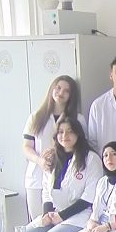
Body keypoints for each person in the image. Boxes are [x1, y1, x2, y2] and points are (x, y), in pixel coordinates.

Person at [25, 117, 102, 232]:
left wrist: (62, 216)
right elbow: (46, 191)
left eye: (70, 131)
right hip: (56, 213)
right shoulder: (51, 158)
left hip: (79, 216)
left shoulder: (91, 159)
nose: (65, 136)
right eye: (61, 132)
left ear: (78, 134)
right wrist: (47, 214)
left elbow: (90, 196)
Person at [22, 75, 85, 219]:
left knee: (58, 221)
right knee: (38, 222)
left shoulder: (78, 119)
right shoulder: (35, 117)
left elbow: (81, 147)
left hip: (64, 176)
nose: (61, 93)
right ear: (52, 89)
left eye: (66, 91)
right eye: (58, 88)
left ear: (71, 96)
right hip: (37, 176)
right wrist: (40, 161)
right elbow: (26, 147)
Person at [59, 142, 116, 232]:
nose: (109, 159)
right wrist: (92, 222)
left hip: (115, 230)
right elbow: (96, 210)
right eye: (105, 155)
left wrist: (107, 227)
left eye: (114, 154)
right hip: (98, 227)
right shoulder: (103, 181)